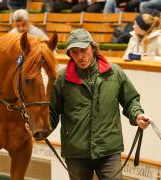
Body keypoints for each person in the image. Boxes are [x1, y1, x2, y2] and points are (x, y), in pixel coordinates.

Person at [49, 28, 151, 180]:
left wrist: (137, 115)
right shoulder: (62, 79)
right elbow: (52, 112)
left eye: (83, 50)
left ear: (93, 47)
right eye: (74, 52)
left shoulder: (114, 72)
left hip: (109, 149)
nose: (80, 56)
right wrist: (39, 129)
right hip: (76, 152)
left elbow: (131, 101)